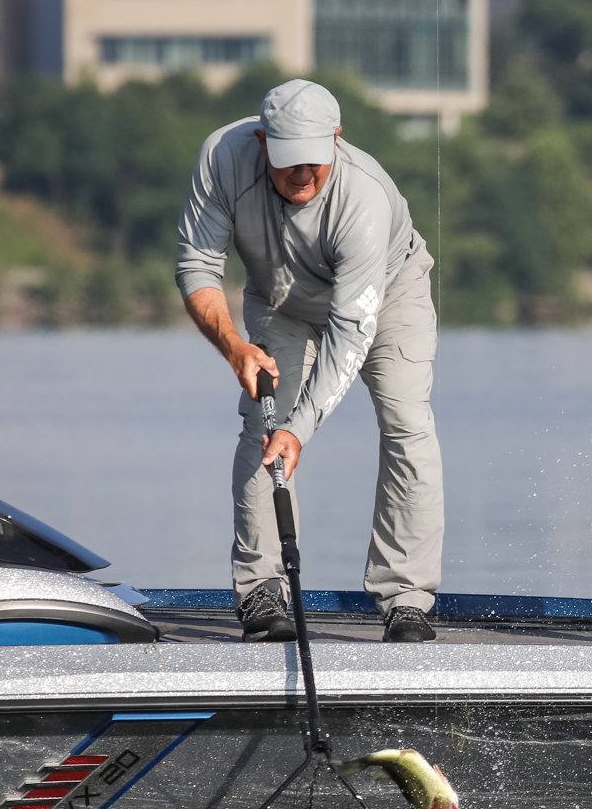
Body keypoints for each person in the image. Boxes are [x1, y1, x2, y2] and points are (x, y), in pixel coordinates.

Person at [177, 79, 442, 644]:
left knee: (406, 424)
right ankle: (261, 590)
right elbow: (197, 265)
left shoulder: (363, 198)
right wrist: (234, 347)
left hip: (387, 295)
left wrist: (300, 429)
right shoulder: (222, 157)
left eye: (315, 162)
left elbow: (351, 332)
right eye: (288, 160)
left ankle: (406, 598)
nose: (303, 174)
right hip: (279, 297)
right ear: (261, 140)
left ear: (337, 140)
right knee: (262, 422)